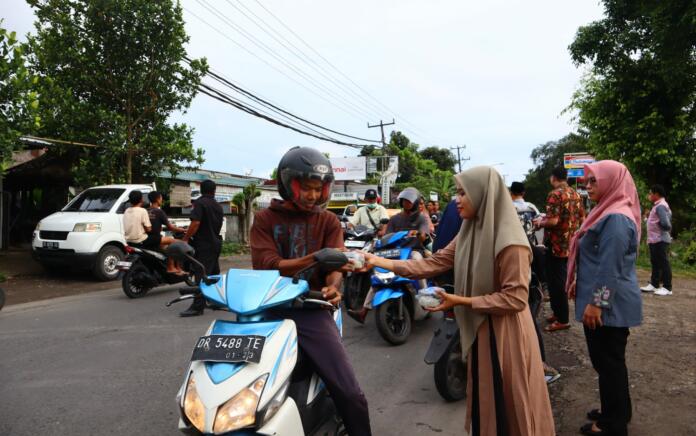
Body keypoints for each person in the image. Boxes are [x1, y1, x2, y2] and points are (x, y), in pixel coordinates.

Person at [364, 166, 555, 436]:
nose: (456, 200)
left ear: (482, 194)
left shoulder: (512, 242)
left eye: (463, 193)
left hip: (505, 334)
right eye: (457, 192)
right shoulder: (469, 231)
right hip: (481, 328)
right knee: (486, 402)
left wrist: (459, 301)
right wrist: (378, 261)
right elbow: (433, 263)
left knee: (509, 406)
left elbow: (514, 299)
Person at [250, 146, 371, 435]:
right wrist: (315, 258)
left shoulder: (328, 221)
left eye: (319, 189)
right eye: (306, 187)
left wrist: (332, 287)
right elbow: (267, 264)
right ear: (287, 183)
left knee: (350, 393)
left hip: (311, 310)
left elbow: (335, 266)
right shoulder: (265, 219)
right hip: (267, 308)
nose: (313, 195)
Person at [566, 160, 642, 436]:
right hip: (607, 301)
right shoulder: (605, 212)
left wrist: (597, 302)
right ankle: (617, 410)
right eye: (587, 182)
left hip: (609, 305)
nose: (588, 187)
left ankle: (613, 423)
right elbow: (597, 259)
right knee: (608, 362)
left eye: (594, 181)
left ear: (612, 180)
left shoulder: (616, 218)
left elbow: (611, 267)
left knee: (609, 362)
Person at [347, 187, 429, 324]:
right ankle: (364, 311)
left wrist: (420, 234)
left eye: (409, 202)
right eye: (404, 201)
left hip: (413, 251)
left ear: (414, 203)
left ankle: (426, 300)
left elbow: (423, 236)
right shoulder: (395, 219)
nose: (406, 204)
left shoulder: (421, 218)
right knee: (379, 276)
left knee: (418, 266)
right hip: (396, 252)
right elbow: (387, 236)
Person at [534, 166, 585, 332]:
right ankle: (557, 312)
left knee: (557, 283)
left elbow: (553, 221)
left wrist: (540, 223)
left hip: (556, 246)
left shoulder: (555, 194)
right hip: (570, 244)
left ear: (553, 177)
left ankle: (563, 319)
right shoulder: (576, 194)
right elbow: (582, 218)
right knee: (559, 279)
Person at [179, 180, 224, 317]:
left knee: (201, 274)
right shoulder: (218, 206)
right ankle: (216, 301)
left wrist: (186, 238)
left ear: (201, 189)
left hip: (204, 244)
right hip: (216, 243)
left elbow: (196, 223)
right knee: (214, 273)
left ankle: (198, 307)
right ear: (214, 190)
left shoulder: (199, 203)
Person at [641, 184, 672, 296]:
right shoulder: (658, 205)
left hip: (660, 239)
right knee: (655, 263)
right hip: (654, 239)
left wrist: (659, 225)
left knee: (663, 263)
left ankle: (667, 287)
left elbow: (666, 224)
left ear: (656, 194)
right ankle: (654, 284)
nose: (649, 195)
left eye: (650, 193)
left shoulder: (661, 206)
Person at [147, 191, 188, 274]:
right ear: (158, 199)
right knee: (177, 243)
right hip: (156, 238)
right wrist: (183, 230)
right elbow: (170, 227)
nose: (162, 200)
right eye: (161, 198)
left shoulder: (146, 210)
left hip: (147, 237)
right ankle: (171, 267)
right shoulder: (159, 212)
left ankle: (173, 266)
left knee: (166, 248)